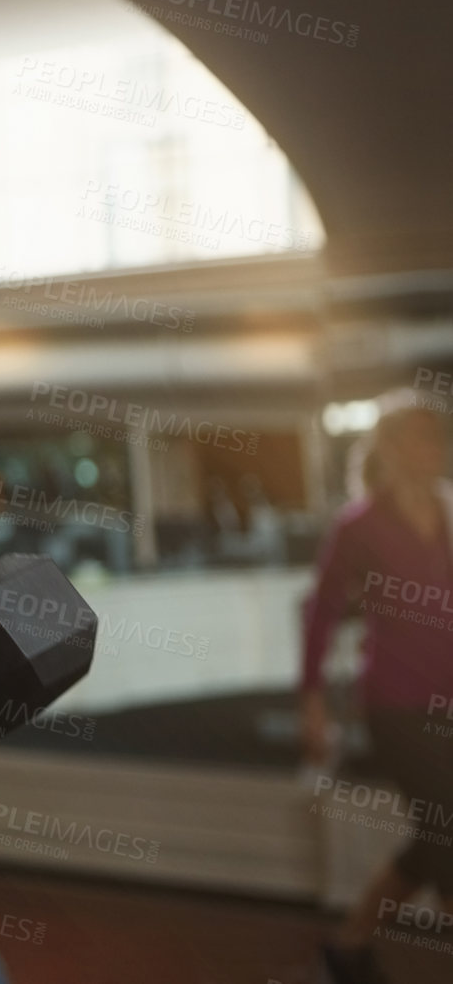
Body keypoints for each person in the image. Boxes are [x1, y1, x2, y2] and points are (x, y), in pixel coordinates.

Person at [300, 389, 453, 984]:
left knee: (440, 833)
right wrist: (313, 705)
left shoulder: (444, 515)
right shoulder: (358, 524)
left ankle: (349, 943)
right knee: (444, 825)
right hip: (394, 706)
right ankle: (350, 942)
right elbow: (322, 613)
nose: (434, 448)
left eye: (437, 438)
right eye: (421, 437)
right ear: (393, 450)